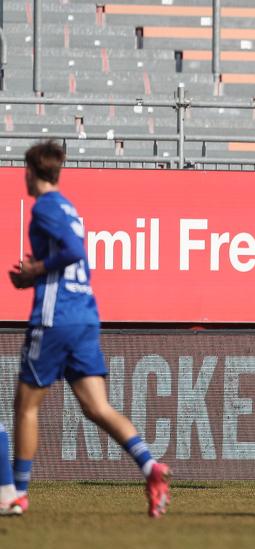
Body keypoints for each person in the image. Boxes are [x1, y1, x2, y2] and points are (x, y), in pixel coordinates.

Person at [1, 140, 171, 518]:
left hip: (55, 318)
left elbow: (75, 251)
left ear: (30, 172)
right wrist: (36, 275)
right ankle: (150, 467)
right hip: (83, 315)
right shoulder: (69, 208)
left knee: (25, 406)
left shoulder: (44, 207)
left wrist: (37, 272)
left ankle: (18, 494)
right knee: (97, 406)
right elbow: (71, 257)